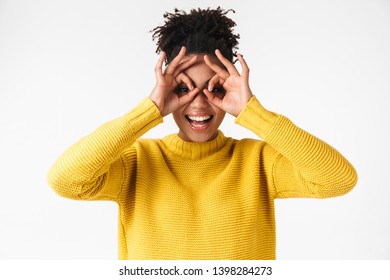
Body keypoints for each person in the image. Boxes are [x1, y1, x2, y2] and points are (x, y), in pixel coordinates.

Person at [47, 7, 357, 259]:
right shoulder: (137, 162)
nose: (198, 102)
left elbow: (338, 179)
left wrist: (252, 111)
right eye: (183, 89)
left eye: (215, 88)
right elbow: (65, 180)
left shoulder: (258, 161)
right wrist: (150, 110)